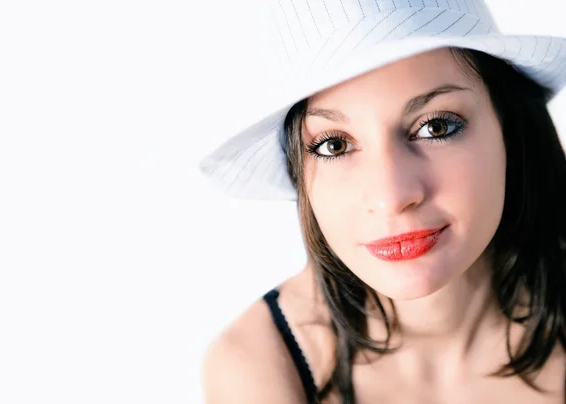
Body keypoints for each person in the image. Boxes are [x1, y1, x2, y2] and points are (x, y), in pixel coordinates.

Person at [199, 0, 566, 402]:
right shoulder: (259, 365)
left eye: (435, 126)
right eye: (334, 145)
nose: (391, 197)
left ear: (509, 131)